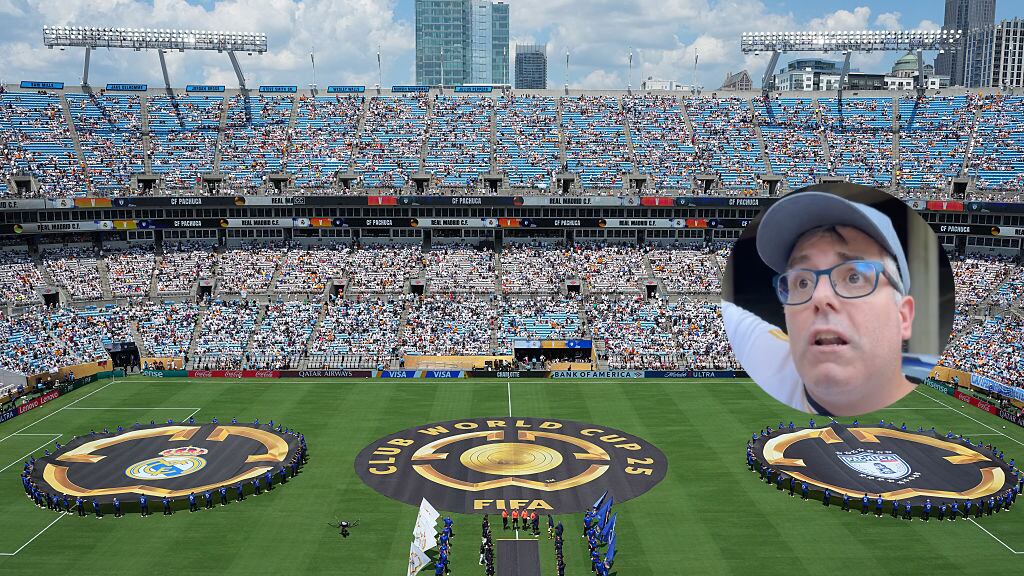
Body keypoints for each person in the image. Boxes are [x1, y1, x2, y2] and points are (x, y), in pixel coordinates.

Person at [723, 190, 918, 416]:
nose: (820, 297)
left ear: (903, 317)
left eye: (854, 277)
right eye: (803, 282)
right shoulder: (767, 357)